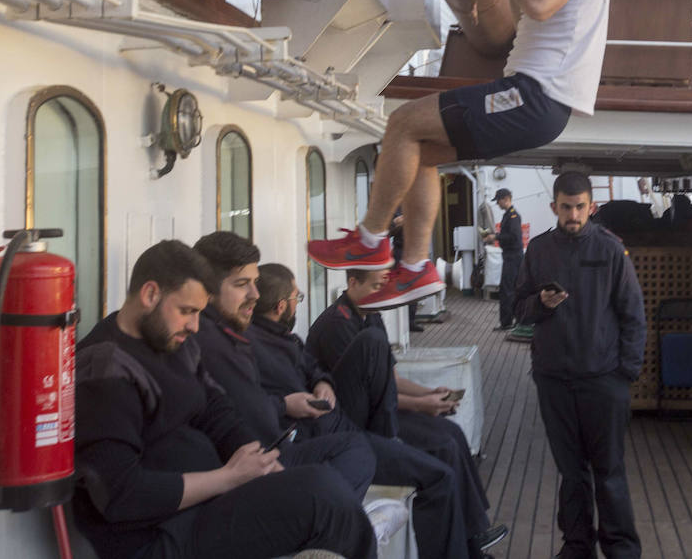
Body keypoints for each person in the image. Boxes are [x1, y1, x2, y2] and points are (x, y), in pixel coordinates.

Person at [308, 0, 609, 310]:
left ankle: (371, 240)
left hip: (533, 94)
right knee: (423, 153)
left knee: (403, 122)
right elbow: (533, 2)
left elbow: (539, 3)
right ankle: (414, 268)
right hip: (542, 105)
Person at [72, 240, 376, 559]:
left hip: (210, 503)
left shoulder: (174, 342)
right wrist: (228, 478)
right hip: (154, 536)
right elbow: (121, 494)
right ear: (150, 294)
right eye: (186, 311)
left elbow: (216, 410)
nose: (194, 325)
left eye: (199, 313)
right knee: (322, 499)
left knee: (326, 482)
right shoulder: (104, 368)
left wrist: (257, 460)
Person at [190, 232, 478, 559]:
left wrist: (321, 382)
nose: (253, 294)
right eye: (242, 284)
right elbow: (245, 416)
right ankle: (348, 517)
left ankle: (469, 539)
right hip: (297, 442)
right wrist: (285, 405)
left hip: (322, 431)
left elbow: (311, 367)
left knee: (441, 442)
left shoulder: (275, 339)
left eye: (254, 284)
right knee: (424, 467)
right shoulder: (229, 344)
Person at [251, 262, 508, 559]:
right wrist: (422, 406)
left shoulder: (318, 332)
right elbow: (369, 390)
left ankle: (472, 536)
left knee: (452, 434)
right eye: (375, 286)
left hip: (351, 423)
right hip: (348, 425)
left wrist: (427, 394)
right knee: (442, 454)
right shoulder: (334, 324)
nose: (379, 293)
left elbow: (378, 378)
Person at [513, 171, 647, 559]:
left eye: (580, 207)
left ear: (591, 206)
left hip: (604, 380)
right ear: (554, 207)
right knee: (571, 473)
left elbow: (633, 315)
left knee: (609, 471)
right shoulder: (538, 251)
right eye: (566, 207)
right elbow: (517, 308)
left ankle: (621, 550)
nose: (573, 214)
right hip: (554, 379)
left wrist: (626, 375)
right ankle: (576, 547)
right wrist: (540, 304)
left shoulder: (609, 249)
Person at [482, 188, 524, 331]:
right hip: (512, 257)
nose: (498, 204)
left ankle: (507, 323)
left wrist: (496, 237)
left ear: (505, 199)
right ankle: (514, 320)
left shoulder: (512, 216)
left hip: (513, 258)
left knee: (507, 290)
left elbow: (514, 237)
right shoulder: (509, 215)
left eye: (499, 201)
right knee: (512, 289)